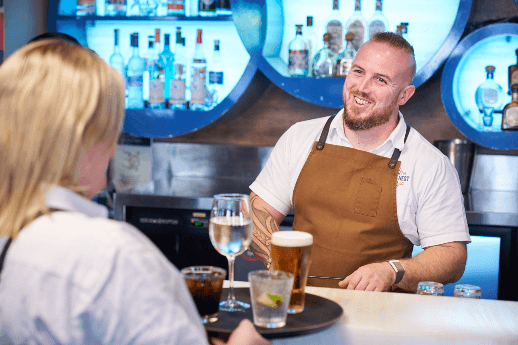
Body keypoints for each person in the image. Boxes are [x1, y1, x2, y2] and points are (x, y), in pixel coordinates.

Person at [0, 39, 269, 345]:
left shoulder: (13, 237)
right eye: (111, 128)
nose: (114, 146)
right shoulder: (109, 255)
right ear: (83, 137)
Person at [249, 32, 470, 292]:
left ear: (404, 95)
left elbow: (452, 256)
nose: (362, 87)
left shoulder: (429, 163)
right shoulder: (300, 137)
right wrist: (283, 267)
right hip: (300, 304)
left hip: (381, 317)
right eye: (358, 71)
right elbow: (256, 212)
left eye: (380, 80)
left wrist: (392, 270)